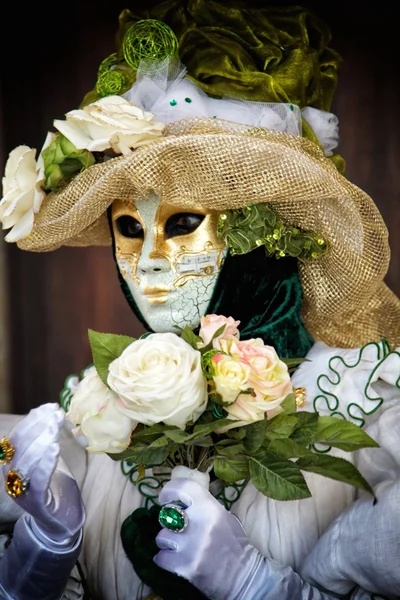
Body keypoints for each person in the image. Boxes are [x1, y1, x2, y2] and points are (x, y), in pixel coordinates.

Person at [0, 2, 400, 599]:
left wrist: (256, 585)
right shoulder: (96, 410)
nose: (152, 258)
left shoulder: (368, 398)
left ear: (261, 231)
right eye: (129, 229)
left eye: (183, 221)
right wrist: (47, 544)